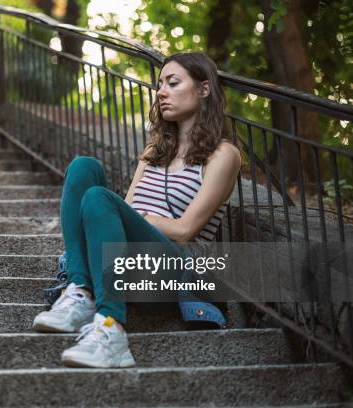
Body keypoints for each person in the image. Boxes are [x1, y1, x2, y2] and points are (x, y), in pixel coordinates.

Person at [31, 52, 242, 369]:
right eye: (160, 85)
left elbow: (186, 230)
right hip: (126, 262)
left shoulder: (223, 154)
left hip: (174, 268)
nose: (161, 92)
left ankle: (111, 330)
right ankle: (81, 291)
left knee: (99, 199)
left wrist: (133, 219)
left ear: (204, 89)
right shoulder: (154, 151)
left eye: (173, 83)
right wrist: (119, 220)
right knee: (83, 168)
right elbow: (127, 209)